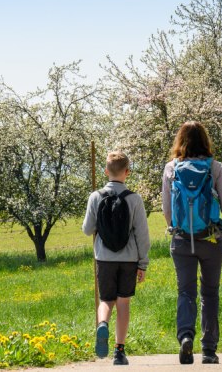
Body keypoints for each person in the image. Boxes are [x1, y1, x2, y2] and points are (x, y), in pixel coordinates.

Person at [162, 121, 222, 365]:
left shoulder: (171, 168)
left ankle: (186, 336)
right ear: (206, 141)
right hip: (211, 239)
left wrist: (177, 229)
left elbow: (167, 209)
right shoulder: (215, 168)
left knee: (186, 291)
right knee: (210, 293)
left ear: (180, 141)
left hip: (182, 240)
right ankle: (209, 349)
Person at [82, 151, 150, 366]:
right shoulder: (134, 199)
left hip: (104, 258)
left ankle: (102, 323)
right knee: (123, 303)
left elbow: (87, 229)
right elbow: (142, 235)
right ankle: (119, 351)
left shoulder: (96, 196)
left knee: (106, 300)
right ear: (127, 172)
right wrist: (143, 263)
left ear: (106, 171)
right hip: (129, 259)